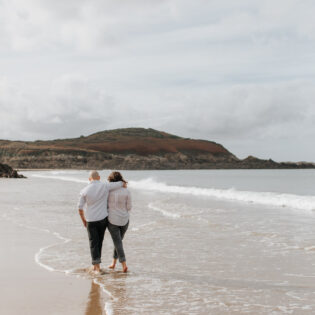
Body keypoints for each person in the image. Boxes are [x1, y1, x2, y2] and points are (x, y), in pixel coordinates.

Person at [78, 170, 125, 274]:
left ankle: (97, 267)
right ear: (99, 177)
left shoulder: (85, 190)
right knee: (99, 242)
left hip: (91, 220)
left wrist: (83, 220)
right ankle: (96, 266)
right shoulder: (105, 186)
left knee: (93, 243)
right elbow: (120, 184)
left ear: (89, 179)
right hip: (102, 219)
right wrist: (123, 184)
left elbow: (80, 208)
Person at [107, 171, 131, 273]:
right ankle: (113, 263)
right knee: (118, 242)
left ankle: (124, 264)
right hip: (125, 220)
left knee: (118, 242)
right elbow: (129, 207)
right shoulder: (126, 191)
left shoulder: (108, 191)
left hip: (112, 220)